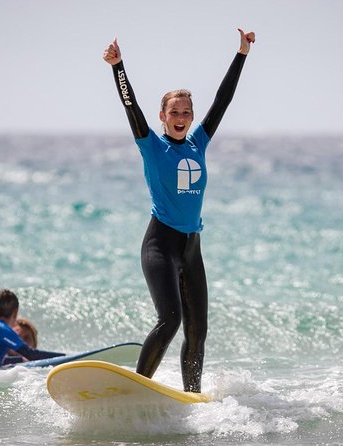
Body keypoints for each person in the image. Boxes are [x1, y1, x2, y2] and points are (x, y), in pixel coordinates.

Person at [103, 28, 256, 392]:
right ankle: (137, 389)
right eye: (175, 111)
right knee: (169, 321)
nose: (182, 116)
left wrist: (242, 53)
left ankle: (192, 398)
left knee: (197, 332)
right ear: (163, 115)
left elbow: (223, 100)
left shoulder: (198, 143)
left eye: (187, 111)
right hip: (160, 244)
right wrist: (117, 66)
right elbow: (130, 105)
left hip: (191, 248)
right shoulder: (152, 145)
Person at [0, 289, 64, 368]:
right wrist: (64, 357)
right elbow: (32, 355)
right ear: (15, 313)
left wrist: (20, 360)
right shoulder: (3, 330)